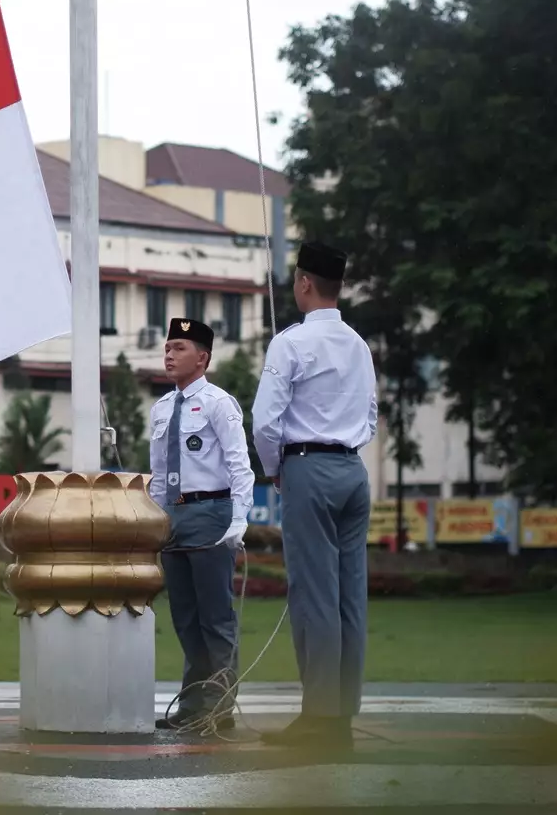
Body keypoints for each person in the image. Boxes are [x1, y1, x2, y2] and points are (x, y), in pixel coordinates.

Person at [251, 243, 376, 751]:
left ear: (304, 283)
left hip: (309, 468)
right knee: (350, 601)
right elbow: (369, 417)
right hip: (352, 469)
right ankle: (341, 717)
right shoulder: (359, 344)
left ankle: (319, 718)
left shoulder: (291, 343)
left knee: (314, 599)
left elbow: (264, 422)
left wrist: (276, 470)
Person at [150, 318, 253, 733]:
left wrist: (240, 515)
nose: (169, 355)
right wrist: (153, 523)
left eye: (178, 347)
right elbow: (157, 475)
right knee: (186, 619)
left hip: (210, 513)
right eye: (168, 347)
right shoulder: (160, 408)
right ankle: (192, 706)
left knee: (215, 619)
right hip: (173, 518)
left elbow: (239, 464)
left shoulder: (217, 403)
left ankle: (219, 706)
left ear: (203, 357)